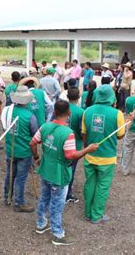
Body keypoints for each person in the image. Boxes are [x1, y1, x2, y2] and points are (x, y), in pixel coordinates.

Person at [30, 100, 98, 246]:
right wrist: (87, 150)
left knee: (44, 197)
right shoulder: (68, 133)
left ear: (54, 112)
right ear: (69, 113)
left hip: (45, 169)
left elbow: (32, 143)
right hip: (59, 174)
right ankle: (57, 234)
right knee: (57, 204)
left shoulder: (45, 126)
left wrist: (37, 157)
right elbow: (71, 156)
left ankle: (41, 224)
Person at [82, 85, 125, 224]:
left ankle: (88, 213)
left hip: (89, 155)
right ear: (111, 97)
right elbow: (120, 136)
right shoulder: (117, 114)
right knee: (102, 187)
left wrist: (86, 148)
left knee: (89, 184)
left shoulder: (87, 111)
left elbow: (84, 133)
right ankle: (96, 215)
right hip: (107, 158)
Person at [3, 86, 38, 211]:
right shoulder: (30, 116)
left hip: (10, 148)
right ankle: (18, 203)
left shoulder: (7, 111)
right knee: (21, 178)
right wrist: (36, 155)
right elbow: (35, 135)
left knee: (10, 174)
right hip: (24, 151)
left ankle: (7, 197)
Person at [66, 88, 84, 203]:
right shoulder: (81, 111)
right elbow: (82, 130)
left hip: (61, 141)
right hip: (75, 143)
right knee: (71, 169)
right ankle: (67, 193)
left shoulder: (62, 107)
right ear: (78, 97)